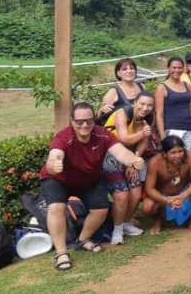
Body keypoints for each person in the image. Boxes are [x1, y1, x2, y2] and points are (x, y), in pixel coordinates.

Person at [39, 102, 145, 271]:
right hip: (58, 179)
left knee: (101, 210)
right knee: (56, 207)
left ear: (94, 120)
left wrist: (133, 160)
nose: (84, 125)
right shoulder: (63, 137)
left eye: (89, 121)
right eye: (79, 122)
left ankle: (82, 240)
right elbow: (54, 156)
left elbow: (120, 152)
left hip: (88, 179)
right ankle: (61, 253)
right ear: (72, 121)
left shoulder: (103, 135)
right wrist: (54, 165)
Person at [102, 91, 157, 245]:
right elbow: (123, 138)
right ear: (134, 103)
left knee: (136, 191)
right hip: (110, 155)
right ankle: (117, 229)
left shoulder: (148, 119)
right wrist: (142, 133)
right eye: (142, 104)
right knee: (122, 194)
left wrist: (135, 160)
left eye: (149, 105)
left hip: (130, 156)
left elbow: (143, 143)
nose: (145, 108)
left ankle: (125, 223)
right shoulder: (122, 113)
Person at [142, 136, 191, 234]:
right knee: (147, 206)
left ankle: (190, 217)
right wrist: (167, 200)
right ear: (164, 154)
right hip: (163, 196)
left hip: (184, 193)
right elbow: (149, 189)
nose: (178, 155)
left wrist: (182, 196)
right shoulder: (155, 163)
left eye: (180, 151)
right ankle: (158, 220)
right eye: (173, 153)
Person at [155, 56, 191, 152]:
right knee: (174, 159)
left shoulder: (187, 85)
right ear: (168, 68)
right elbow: (159, 114)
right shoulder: (162, 88)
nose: (177, 70)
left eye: (179, 68)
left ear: (183, 69)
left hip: (189, 129)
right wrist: (163, 138)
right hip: (172, 130)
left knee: (190, 157)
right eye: (174, 67)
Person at [97, 58, 145, 123]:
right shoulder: (113, 92)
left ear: (135, 71)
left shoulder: (142, 86)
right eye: (124, 69)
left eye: (131, 68)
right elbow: (100, 116)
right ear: (118, 73)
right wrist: (103, 107)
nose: (129, 71)